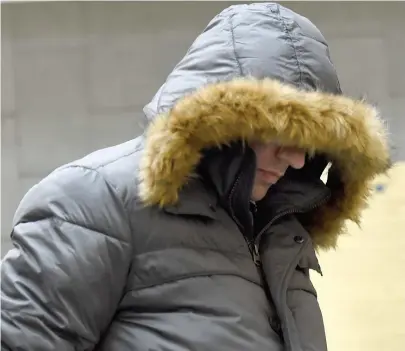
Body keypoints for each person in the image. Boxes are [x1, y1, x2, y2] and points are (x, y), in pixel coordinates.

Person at [1, 2, 390, 351]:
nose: (297, 159)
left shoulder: (279, 234)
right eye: (281, 131)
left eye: (313, 143)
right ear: (218, 120)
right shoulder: (91, 202)